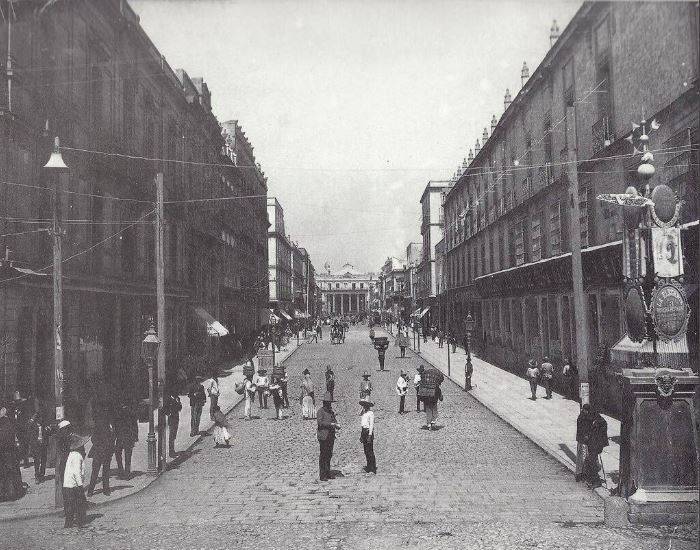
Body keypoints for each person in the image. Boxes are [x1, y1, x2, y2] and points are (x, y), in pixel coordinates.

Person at [63, 434, 90, 528]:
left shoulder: (71, 454)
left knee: (69, 505)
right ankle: (80, 521)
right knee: (79, 503)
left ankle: (68, 522)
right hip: (74, 485)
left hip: (67, 484)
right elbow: (76, 473)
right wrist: (80, 486)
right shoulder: (78, 456)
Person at [87, 406, 114, 497]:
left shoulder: (106, 426)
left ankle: (94, 490)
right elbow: (94, 439)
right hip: (100, 452)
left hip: (104, 452)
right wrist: (101, 447)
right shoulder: (100, 426)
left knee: (98, 472)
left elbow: (111, 439)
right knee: (99, 472)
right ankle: (100, 490)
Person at [0, 404, 24, 502]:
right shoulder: (10, 423)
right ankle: (14, 492)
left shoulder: (5, 425)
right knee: (11, 472)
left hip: (5, 452)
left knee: (6, 474)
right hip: (10, 452)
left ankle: (9, 493)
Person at [317, 392, 340, 482]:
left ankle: (327, 472)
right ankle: (322, 475)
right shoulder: (320, 411)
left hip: (331, 436)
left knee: (329, 455)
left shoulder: (331, 412)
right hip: (323, 436)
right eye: (327, 403)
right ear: (324, 403)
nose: (329, 404)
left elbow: (334, 420)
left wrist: (336, 424)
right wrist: (331, 424)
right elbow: (320, 423)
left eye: (330, 403)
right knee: (323, 455)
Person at [585, 408, 609, 488]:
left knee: (593, 462)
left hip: (596, 445)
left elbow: (603, 436)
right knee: (592, 461)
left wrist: (599, 446)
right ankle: (593, 478)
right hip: (592, 444)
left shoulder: (601, 422)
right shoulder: (594, 421)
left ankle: (597, 481)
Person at [27, 411, 48, 484]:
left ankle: (42, 475)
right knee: (36, 461)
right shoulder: (33, 425)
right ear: (37, 418)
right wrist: (33, 418)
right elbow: (28, 425)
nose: (41, 419)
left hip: (43, 445)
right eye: (39, 418)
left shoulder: (44, 425)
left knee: (43, 460)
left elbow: (48, 433)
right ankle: (37, 476)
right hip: (36, 446)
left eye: (42, 418)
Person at [575, 404, 593, 482]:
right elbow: (582, 429)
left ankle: (582, 474)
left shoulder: (583, 416)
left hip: (583, 440)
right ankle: (582, 474)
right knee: (583, 457)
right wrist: (587, 435)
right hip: (583, 440)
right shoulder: (583, 417)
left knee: (583, 457)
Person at [359, 398, 376, 474]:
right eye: (363, 405)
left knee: (370, 451)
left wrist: (369, 435)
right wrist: (361, 435)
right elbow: (362, 424)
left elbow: (371, 425)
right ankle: (368, 466)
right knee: (366, 451)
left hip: (368, 431)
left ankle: (372, 468)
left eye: (365, 405)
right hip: (363, 431)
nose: (364, 406)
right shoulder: (363, 413)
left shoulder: (370, 413)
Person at [163, 388, 182, 459]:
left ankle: (172, 450)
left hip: (176, 418)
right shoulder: (169, 399)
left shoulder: (177, 399)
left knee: (174, 435)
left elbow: (180, 408)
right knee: (171, 435)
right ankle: (171, 451)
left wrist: (178, 402)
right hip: (171, 419)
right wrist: (169, 414)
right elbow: (165, 409)